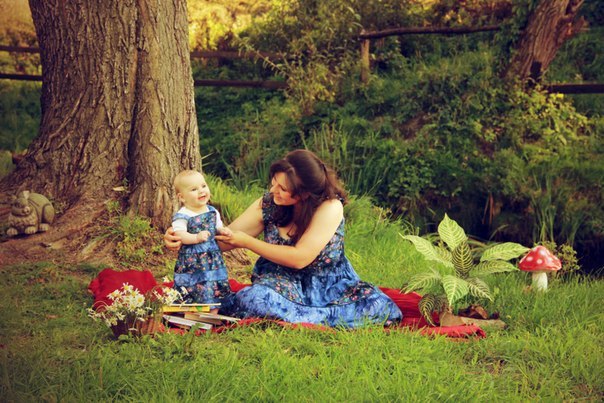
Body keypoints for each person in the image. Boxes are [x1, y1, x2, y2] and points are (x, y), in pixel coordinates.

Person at [165, 151, 402, 327]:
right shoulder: (269, 203)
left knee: (376, 306)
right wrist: (184, 239)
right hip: (279, 281)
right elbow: (224, 239)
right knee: (256, 298)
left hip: (328, 285)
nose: (273, 191)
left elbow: (300, 258)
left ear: (303, 193)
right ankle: (299, 316)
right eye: (274, 183)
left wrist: (247, 242)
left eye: (282, 189)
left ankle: (311, 317)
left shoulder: (330, 207)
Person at [171, 170, 232, 313]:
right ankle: (190, 311)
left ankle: (213, 310)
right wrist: (195, 238)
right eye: (194, 189)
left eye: (203, 186)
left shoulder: (212, 211)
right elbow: (180, 235)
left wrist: (223, 231)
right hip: (192, 259)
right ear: (182, 197)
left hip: (212, 257)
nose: (201, 191)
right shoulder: (183, 215)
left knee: (212, 281)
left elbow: (217, 227)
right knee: (194, 282)